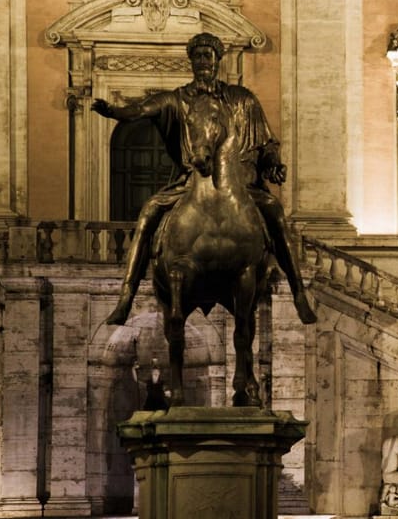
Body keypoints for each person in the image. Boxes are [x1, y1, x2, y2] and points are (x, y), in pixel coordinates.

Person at [91, 32, 316, 326]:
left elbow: (267, 142)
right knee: (147, 213)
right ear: (191, 61)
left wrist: (272, 163)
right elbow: (144, 108)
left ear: (217, 59)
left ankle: (298, 291)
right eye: (197, 56)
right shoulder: (178, 99)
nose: (203, 61)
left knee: (274, 211)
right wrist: (116, 112)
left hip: (241, 184)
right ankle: (126, 297)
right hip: (191, 180)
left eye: (207, 55)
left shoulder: (242, 100)